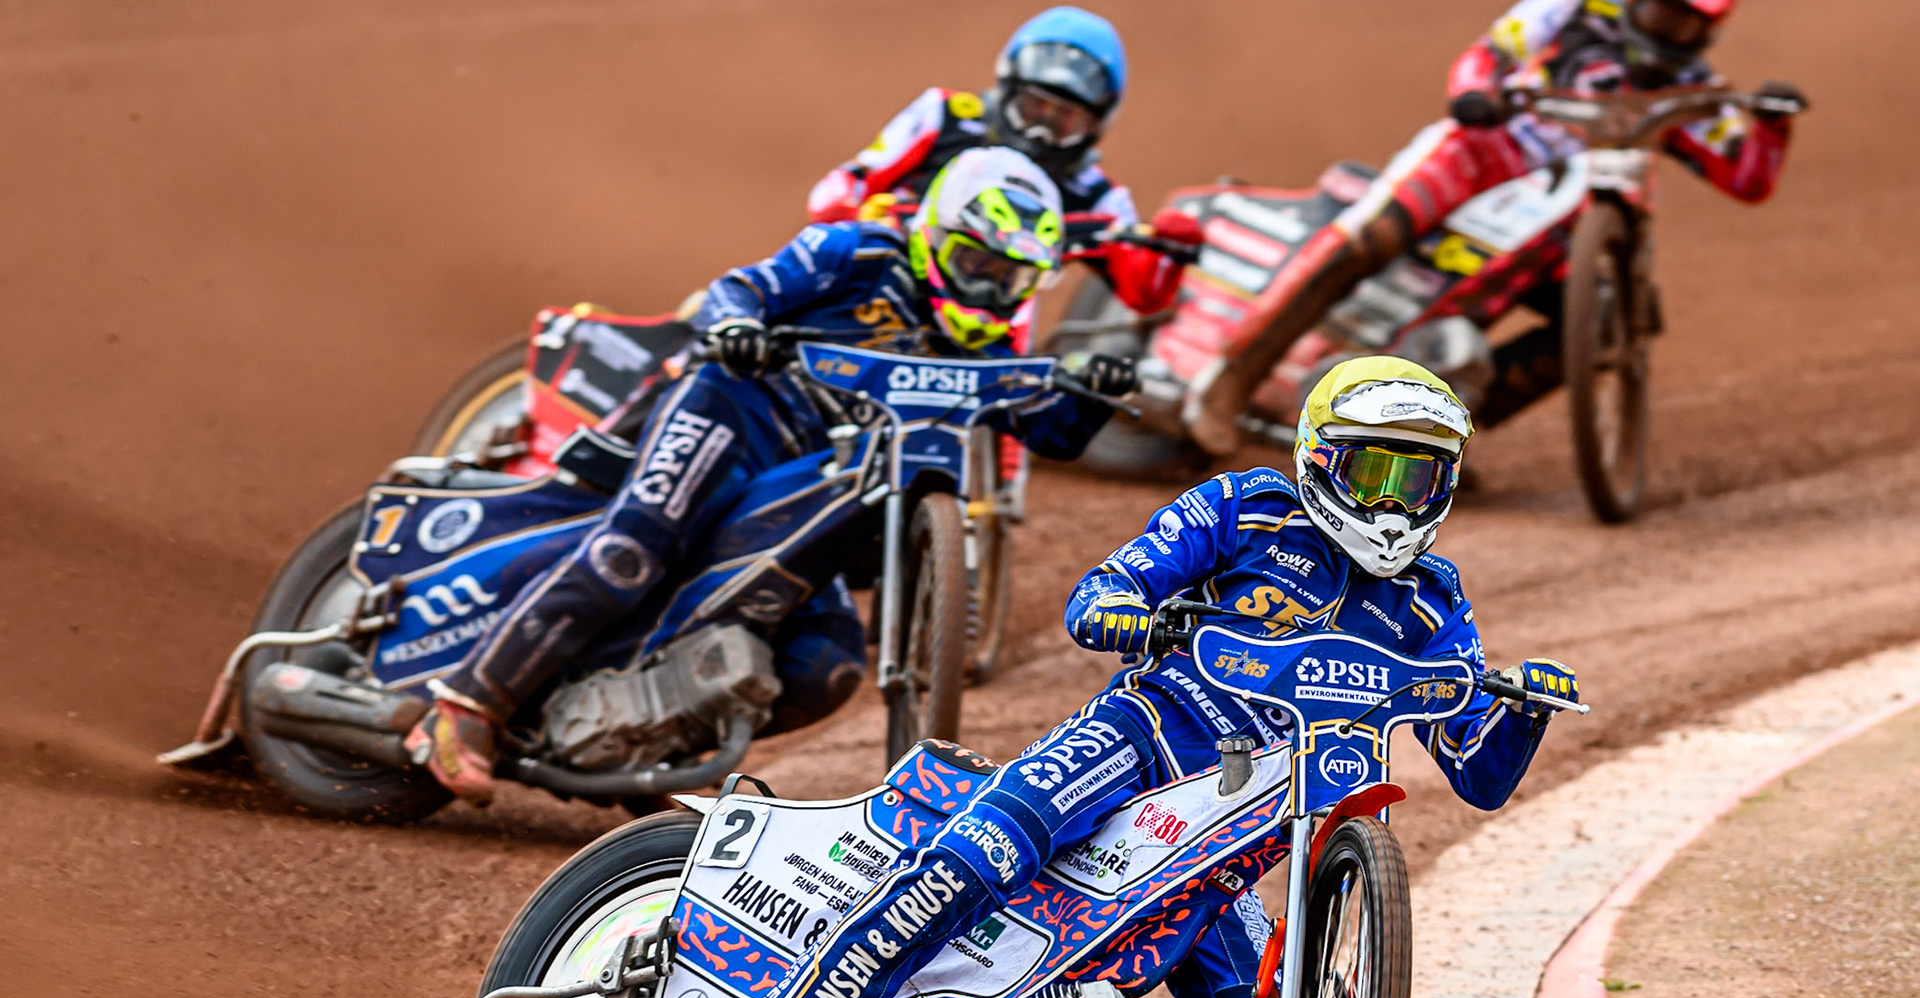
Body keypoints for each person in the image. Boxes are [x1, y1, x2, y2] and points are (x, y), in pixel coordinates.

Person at [713, 355, 1581, 998]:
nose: (1393, 504)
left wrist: (1523, 711)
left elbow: (1479, 772)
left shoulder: (1434, 600)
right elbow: (1097, 598)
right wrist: (1135, 612)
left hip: (1232, 848)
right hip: (1134, 746)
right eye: (1375, 473)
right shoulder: (1244, 506)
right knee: (974, 859)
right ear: (1321, 459)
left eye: (1417, 478)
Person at [406, 148, 1137, 805]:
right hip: (735, 414)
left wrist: (1091, 391)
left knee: (826, 665)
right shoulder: (855, 251)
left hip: (818, 486)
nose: (989, 290)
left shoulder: (982, 347)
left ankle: (649, 746)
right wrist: (737, 328)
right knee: (634, 551)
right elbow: (742, 289)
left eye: (1011, 279)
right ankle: (466, 706)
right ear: (939, 236)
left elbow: (1051, 432)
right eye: (979, 264)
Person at [1187, 0, 1807, 453]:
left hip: (1568, 218)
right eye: (1660, 12)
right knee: (1369, 240)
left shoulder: (1697, 92)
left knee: (1609, 319)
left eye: (1686, 22)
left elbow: (1748, 180)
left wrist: (1775, 124)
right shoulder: (1563, 15)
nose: (1668, 30)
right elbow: (1488, 55)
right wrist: (1477, 93)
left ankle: (1429, 442)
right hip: (1483, 154)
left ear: (1709, 29)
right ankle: (1230, 383)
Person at [807, 6, 1200, 320]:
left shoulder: (1097, 194)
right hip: (880, 293)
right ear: (1007, 88)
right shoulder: (945, 115)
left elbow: (1143, 294)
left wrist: (1172, 250)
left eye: (1064, 119)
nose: (1041, 131)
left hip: (991, 327)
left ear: (1097, 124)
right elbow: (839, 188)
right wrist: (859, 213)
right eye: (1035, 107)